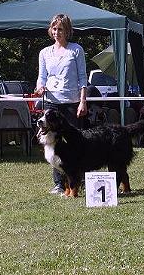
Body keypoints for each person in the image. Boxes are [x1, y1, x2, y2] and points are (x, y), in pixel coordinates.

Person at [35, 14, 88, 195]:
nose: (57, 32)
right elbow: (42, 77)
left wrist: (82, 101)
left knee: (75, 144)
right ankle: (59, 183)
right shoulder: (44, 53)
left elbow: (82, 78)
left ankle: (79, 181)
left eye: (60, 29)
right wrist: (39, 86)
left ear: (67, 31)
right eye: (54, 29)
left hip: (72, 102)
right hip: (52, 103)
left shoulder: (76, 50)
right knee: (52, 144)